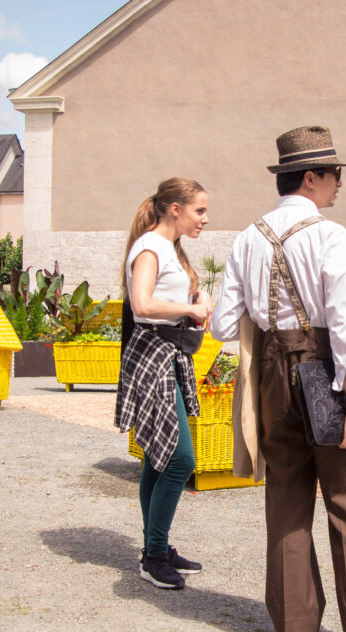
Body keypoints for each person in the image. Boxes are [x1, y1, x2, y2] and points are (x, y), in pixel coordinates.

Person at [209, 126, 346, 632]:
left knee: (287, 498)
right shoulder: (328, 234)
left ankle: (294, 628)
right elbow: (344, 325)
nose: (339, 185)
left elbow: (224, 325)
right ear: (312, 177)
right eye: (335, 174)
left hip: (271, 374)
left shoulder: (247, 237)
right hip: (326, 369)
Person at [115, 177, 212, 590]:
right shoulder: (151, 247)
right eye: (199, 210)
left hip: (167, 354)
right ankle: (154, 555)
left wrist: (198, 304)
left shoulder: (168, 248)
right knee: (179, 460)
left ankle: (157, 545)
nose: (205, 219)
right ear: (175, 208)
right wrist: (191, 308)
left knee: (159, 457)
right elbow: (142, 304)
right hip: (154, 353)